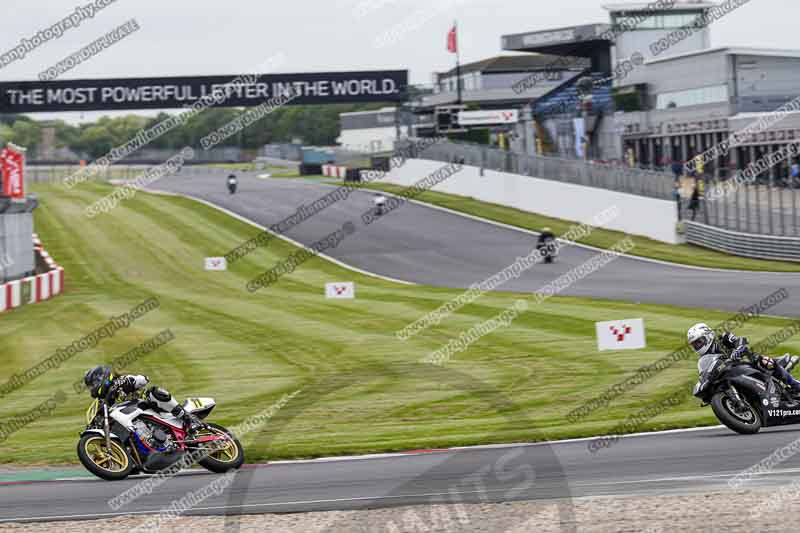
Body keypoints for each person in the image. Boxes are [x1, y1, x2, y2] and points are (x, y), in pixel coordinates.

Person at [687, 324, 800, 395]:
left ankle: (795, 385)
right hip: (730, 373)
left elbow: (740, 341)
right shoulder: (704, 359)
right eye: (694, 345)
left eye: (699, 342)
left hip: (748, 363)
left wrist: (738, 349)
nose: (697, 346)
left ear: (708, 337)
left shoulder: (724, 338)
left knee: (765, 361)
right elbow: (704, 373)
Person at [83, 365, 197, 431]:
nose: (92, 388)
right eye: (91, 386)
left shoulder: (121, 381)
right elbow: (98, 417)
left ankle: (188, 418)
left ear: (102, 377)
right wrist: (90, 428)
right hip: (131, 419)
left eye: (94, 383)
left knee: (154, 392)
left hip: (148, 407)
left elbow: (144, 379)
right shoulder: (103, 401)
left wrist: (127, 381)